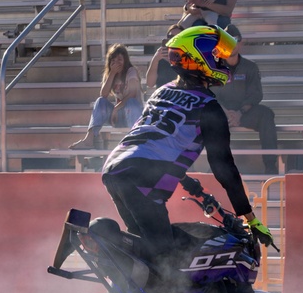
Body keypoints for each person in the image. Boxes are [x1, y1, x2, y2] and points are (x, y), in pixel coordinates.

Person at [101, 24, 272, 278]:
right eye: (216, 56)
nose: (221, 61)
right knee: (169, 263)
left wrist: (186, 180)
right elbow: (224, 168)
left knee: (146, 254)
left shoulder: (162, 91)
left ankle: (124, 291)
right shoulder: (208, 107)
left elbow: (156, 142)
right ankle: (108, 242)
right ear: (198, 59)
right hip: (142, 178)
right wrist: (251, 219)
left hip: (115, 167)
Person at [212, 24, 279, 174]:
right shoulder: (214, 68)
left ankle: (270, 165)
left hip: (244, 112)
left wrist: (239, 113)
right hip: (222, 112)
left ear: (240, 43)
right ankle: (216, 167)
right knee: (207, 117)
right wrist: (226, 113)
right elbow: (212, 96)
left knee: (266, 114)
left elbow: (255, 95)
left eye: (234, 40)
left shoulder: (250, 67)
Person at [71, 44, 143, 149]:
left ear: (125, 60)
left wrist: (116, 109)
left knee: (131, 102)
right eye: (113, 60)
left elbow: (132, 93)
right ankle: (88, 140)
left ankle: (136, 141)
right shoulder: (110, 74)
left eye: (120, 60)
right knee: (100, 101)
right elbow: (103, 94)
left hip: (134, 115)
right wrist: (112, 73)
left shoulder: (131, 71)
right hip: (118, 117)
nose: (117, 63)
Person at [146, 24, 184, 91]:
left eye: (177, 37)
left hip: (180, 94)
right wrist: (155, 59)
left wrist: (172, 62)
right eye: (170, 36)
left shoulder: (188, 56)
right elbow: (150, 84)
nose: (173, 39)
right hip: (163, 94)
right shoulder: (161, 56)